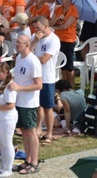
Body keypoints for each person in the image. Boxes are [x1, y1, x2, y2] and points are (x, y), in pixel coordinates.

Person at [8, 34, 42, 176]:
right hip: (19, 100)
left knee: (31, 131)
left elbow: (39, 84)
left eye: (19, 43)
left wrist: (19, 88)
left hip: (29, 102)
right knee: (23, 130)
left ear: (27, 45)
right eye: (16, 42)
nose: (17, 44)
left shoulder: (33, 61)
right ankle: (27, 159)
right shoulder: (19, 59)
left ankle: (34, 161)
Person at [31, 16, 60, 145]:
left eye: (38, 27)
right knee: (38, 105)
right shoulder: (36, 37)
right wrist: (35, 42)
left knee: (48, 107)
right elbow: (26, 51)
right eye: (35, 28)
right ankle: (38, 129)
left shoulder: (53, 40)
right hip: (36, 76)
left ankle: (49, 133)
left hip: (47, 78)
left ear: (45, 26)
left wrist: (31, 56)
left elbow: (44, 60)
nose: (36, 30)